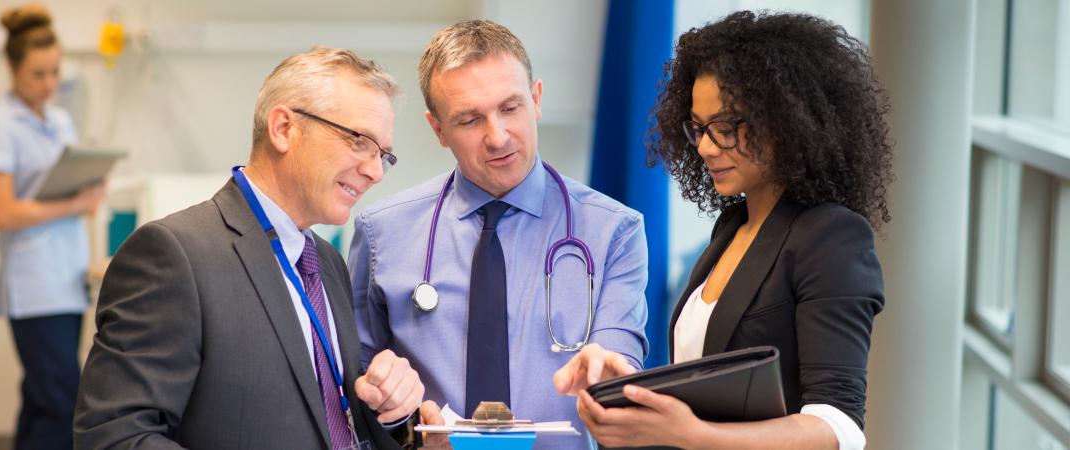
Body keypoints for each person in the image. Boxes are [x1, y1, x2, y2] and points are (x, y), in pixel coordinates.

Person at [554, 11, 893, 450]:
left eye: (728, 128)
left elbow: (838, 427)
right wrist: (633, 392)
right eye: (699, 128)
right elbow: (713, 389)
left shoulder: (831, 237)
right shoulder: (732, 227)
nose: (707, 147)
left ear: (788, 121)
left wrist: (691, 435)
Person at [73, 46, 426, 450]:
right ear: (283, 129)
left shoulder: (327, 264)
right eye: (359, 141)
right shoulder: (174, 256)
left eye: (384, 155)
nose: (375, 171)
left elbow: (330, 417)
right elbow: (114, 436)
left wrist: (390, 409)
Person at [349, 20, 650, 450]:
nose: (497, 136)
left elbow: (621, 361)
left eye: (510, 108)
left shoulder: (613, 231)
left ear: (537, 100)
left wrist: (612, 373)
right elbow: (356, 388)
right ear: (438, 129)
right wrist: (401, 423)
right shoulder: (381, 234)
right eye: (470, 120)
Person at [0, 4, 105, 449]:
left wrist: (87, 194)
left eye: (54, 72)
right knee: (62, 402)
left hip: (66, 278)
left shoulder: (61, 120)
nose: (49, 84)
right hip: (32, 286)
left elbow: (61, 190)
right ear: (12, 68)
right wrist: (72, 203)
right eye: (37, 74)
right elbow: (3, 212)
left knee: (40, 399)